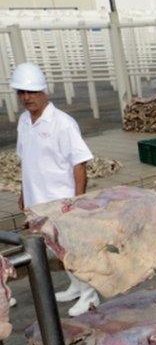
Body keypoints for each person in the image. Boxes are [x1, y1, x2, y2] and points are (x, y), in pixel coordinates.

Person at [12, 63, 99, 316]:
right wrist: (23, 192)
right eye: (21, 92)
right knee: (55, 250)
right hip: (37, 202)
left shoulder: (63, 123)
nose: (26, 97)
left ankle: (89, 295)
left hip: (60, 200)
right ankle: (75, 286)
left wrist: (76, 202)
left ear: (43, 91)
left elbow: (79, 164)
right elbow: (26, 159)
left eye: (31, 91)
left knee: (73, 249)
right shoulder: (24, 122)